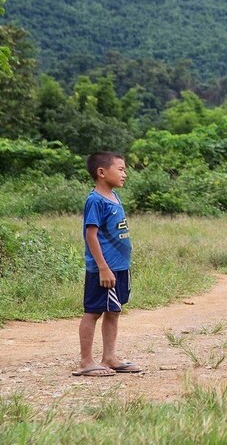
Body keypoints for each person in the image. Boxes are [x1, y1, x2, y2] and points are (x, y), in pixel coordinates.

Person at [72, 152, 142, 377]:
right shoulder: (95, 200)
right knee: (93, 312)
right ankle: (86, 362)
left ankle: (109, 357)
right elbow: (90, 235)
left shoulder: (113, 196)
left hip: (120, 267)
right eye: (120, 169)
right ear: (102, 172)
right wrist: (102, 266)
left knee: (114, 311)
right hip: (104, 269)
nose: (125, 173)